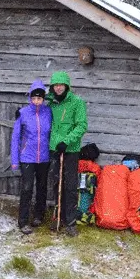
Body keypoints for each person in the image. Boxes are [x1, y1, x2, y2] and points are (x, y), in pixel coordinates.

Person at [47, 71, 88, 236]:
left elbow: (81, 125)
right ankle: (57, 216)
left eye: (61, 85)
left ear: (66, 86)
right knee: (56, 182)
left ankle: (70, 221)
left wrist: (67, 141)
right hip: (55, 148)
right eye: (55, 85)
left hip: (70, 150)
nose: (58, 88)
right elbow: (35, 107)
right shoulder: (51, 102)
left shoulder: (76, 102)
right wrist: (21, 114)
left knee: (70, 185)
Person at [11, 80, 53, 235]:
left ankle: (38, 216)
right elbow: (15, 137)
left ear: (43, 99)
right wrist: (15, 160)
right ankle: (23, 221)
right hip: (27, 157)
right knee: (27, 188)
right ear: (30, 98)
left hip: (44, 158)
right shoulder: (22, 113)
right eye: (34, 98)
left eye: (39, 98)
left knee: (42, 187)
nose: (36, 101)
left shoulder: (48, 112)